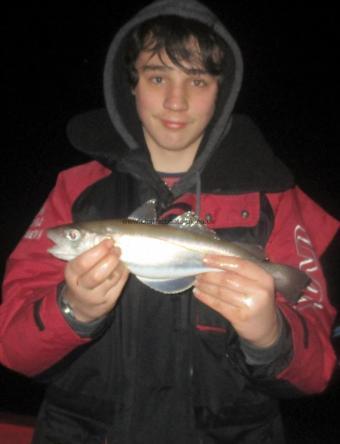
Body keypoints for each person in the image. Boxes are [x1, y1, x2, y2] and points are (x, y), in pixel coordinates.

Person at [1, 0, 339, 442]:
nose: (175, 101)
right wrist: (73, 310)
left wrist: (271, 334)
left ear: (222, 91)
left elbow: (318, 373)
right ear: (132, 86)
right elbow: (11, 345)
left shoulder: (274, 196)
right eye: (158, 77)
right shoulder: (75, 190)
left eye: (197, 80)